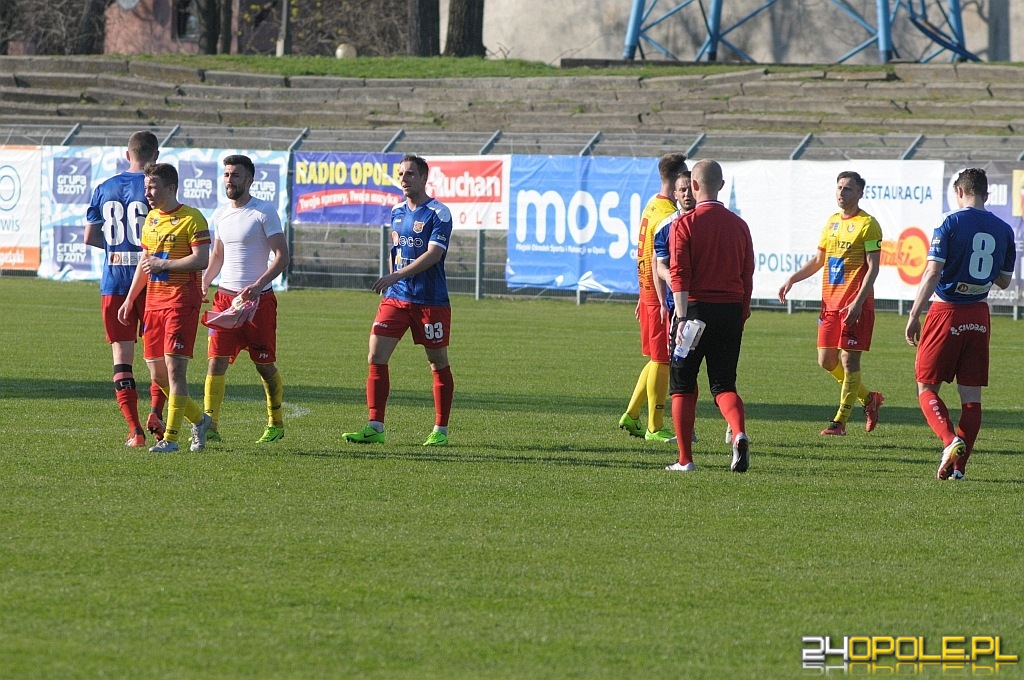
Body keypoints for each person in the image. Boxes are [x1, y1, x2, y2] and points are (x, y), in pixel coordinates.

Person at [905, 168, 1015, 481]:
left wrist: (914, 314)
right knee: (971, 398)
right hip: (979, 314)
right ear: (986, 194)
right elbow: (1005, 281)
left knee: (926, 387)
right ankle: (959, 469)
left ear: (959, 191)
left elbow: (932, 272)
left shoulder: (949, 221)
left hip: (947, 311)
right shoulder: (1004, 229)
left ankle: (949, 440)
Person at [342, 154, 455, 446]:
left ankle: (440, 430)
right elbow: (396, 251)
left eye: (410, 174)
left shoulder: (439, 213)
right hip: (396, 298)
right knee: (376, 355)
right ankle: (375, 426)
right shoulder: (396, 211)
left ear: (424, 178)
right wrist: (392, 281)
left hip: (430, 301)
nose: (404, 179)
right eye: (401, 174)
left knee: (437, 362)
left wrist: (395, 276)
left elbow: (434, 255)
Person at [777, 170, 885, 436]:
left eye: (848, 188)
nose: (842, 192)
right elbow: (819, 260)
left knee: (849, 361)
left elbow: (873, 268)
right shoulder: (832, 222)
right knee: (826, 360)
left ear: (860, 193)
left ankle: (839, 422)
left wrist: (858, 302)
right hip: (830, 305)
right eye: (839, 187)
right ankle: (869, 398)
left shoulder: (868, 224)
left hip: (854, 306)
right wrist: (792, 279)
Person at [665, 159, 754, 473]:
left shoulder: (683, 225)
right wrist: (741, 312)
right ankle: (738, 433)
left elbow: (679, 274)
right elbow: (747, 275)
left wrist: (680, 317)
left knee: (682, 385)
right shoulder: (739, 226)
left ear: (693, 186)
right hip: (730, 310)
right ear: (722, 186)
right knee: (723, 385)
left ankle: (685, 459)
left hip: (694, 311)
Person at [118, 163, 212, 453]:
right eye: (146, 186)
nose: (147, 192)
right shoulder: (151, 219)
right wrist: (130, 298)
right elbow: (146, 264)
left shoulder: (192, 218)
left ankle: (170, 439)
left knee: (174, 371)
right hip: (153, 304)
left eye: (153, 186)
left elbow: (202, 259)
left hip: (181, 301)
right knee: (157, 375)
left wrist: (165, 264)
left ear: (171, 188)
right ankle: (200, 420)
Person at [84, 131, 167, 447]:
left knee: (122, 358)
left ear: (126, 154)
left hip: (114, 282)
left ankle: (135, 430)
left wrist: (116, 249)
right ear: (155, 156)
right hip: (153, 282)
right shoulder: (155, 187)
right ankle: (156, 413)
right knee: (158, 357)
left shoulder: (104, 188)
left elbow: (90, 236)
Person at [200, 155, 290, 444]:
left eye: (236, 175)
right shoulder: (220, 215)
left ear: (249, 180)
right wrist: (204, 282)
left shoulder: (263, 211)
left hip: (258, 302)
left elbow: (282, 256)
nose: (229, 180)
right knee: (215, 362)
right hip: (225, 301)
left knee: (264, 365)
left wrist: (258, 284)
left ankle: (275, 422)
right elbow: (217, 255)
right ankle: (209, 426)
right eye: (226, 174)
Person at [619, 152, 690, 443]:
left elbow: (644, 251)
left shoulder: (652, 205)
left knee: (656, 360)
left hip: (648, 293)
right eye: (684, 178)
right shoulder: (667, 215)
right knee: (662, 361)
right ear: (675, 180)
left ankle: (632, 414)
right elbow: (655, 258)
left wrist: (643, 293)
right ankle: (655, 426)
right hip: (659, 297)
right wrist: (662, 301)